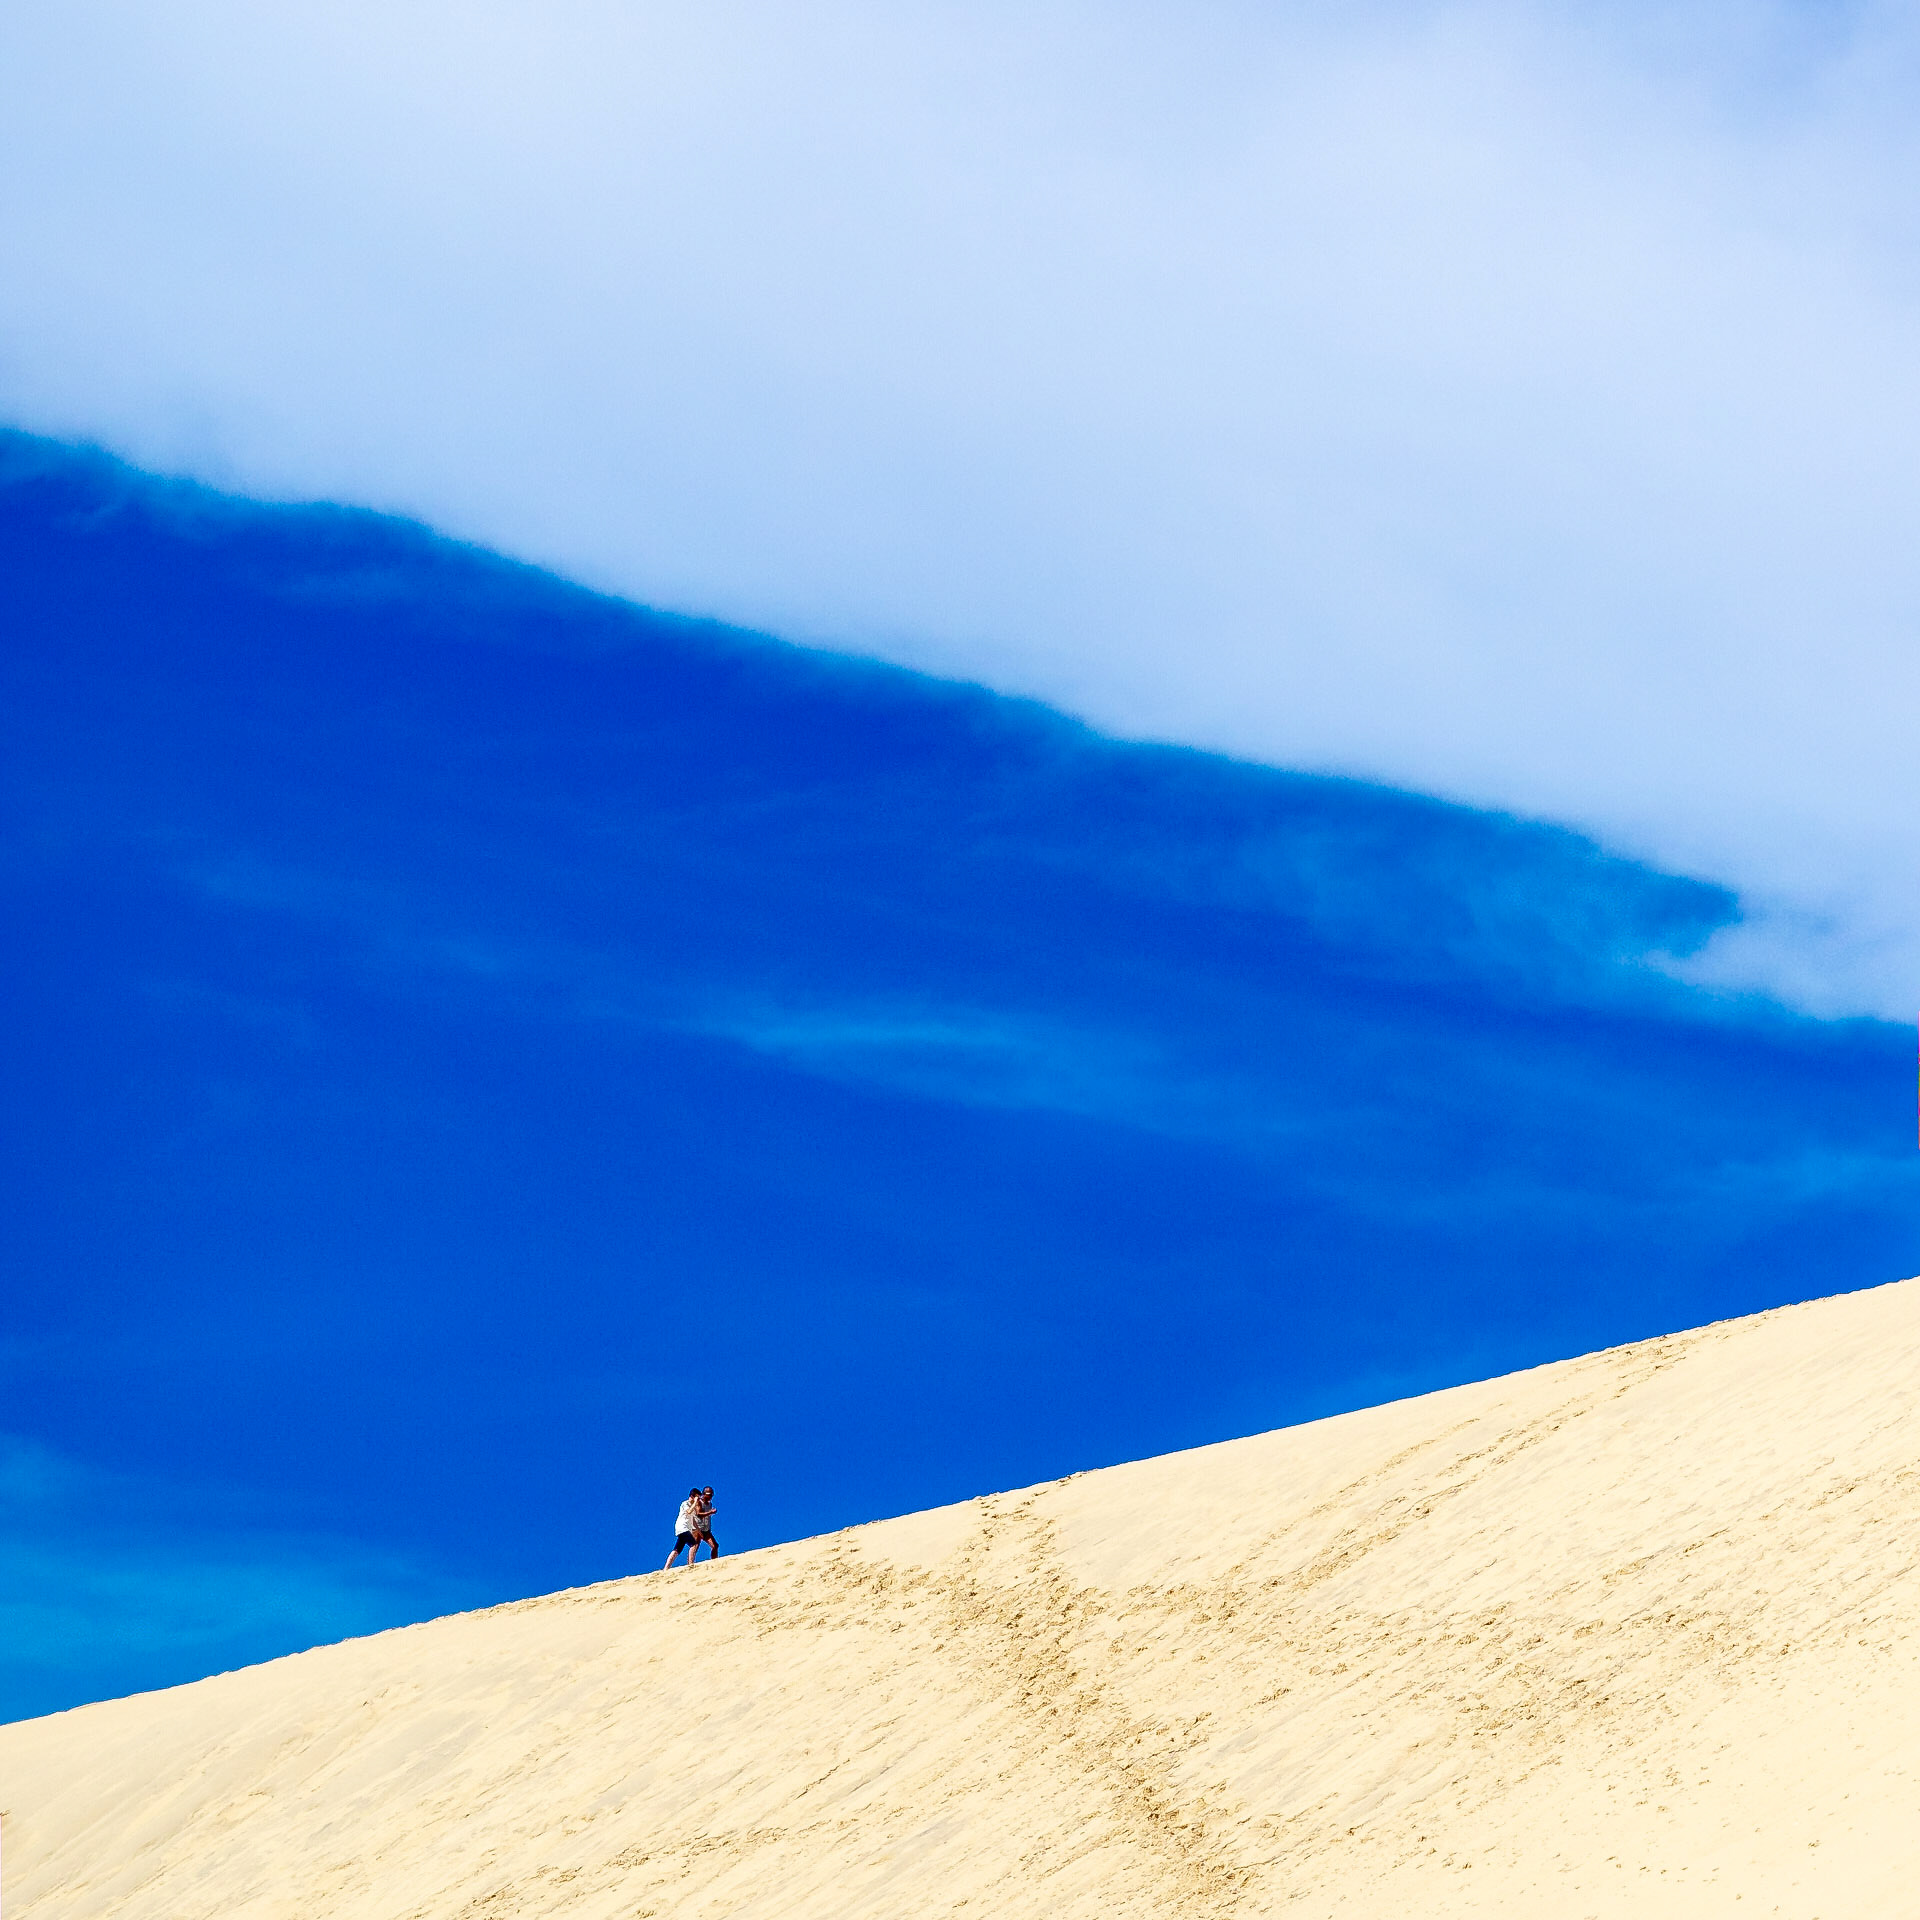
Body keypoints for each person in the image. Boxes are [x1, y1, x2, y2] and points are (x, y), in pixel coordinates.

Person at [664, 1487, 703, 1569]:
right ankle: (690, 1564)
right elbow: (688, 1511)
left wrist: (699, 1531)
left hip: (684, 1529)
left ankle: (666, 1568)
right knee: (694, 1544)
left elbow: (693, 1520)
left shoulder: (692, 1506)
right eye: (697, 1497)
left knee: (676, 1550)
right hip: (682, 1528)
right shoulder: (685, 1503)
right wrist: (695, 1502)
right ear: (692, 1496)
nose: (698, 1500)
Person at [694, 1485, 719, 1559]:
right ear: (705, 1494)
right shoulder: (699, 1502)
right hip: (698, 1529)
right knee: (695, 1547)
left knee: (715, 1546)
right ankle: (690, 1564)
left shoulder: (710, 1504)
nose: (711, 1497)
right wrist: (710, 1512)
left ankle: (714, 1561)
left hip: (706, 1530)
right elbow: (698, 1514)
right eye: (710, 1495)